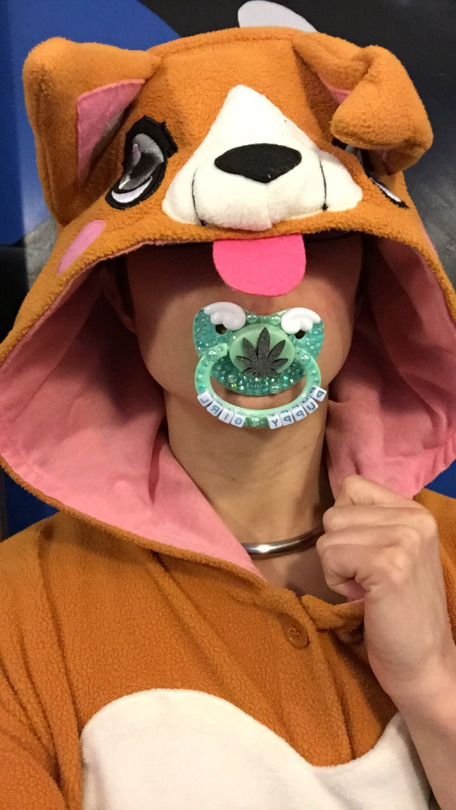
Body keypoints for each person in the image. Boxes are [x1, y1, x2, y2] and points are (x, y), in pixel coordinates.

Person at [0, 25, 456, 810]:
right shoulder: (18, 612)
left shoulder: (445, 556)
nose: (257, 291)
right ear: (117, 294)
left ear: (365, 281)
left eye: (313, 238)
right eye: (188, 245)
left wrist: (434, 686)